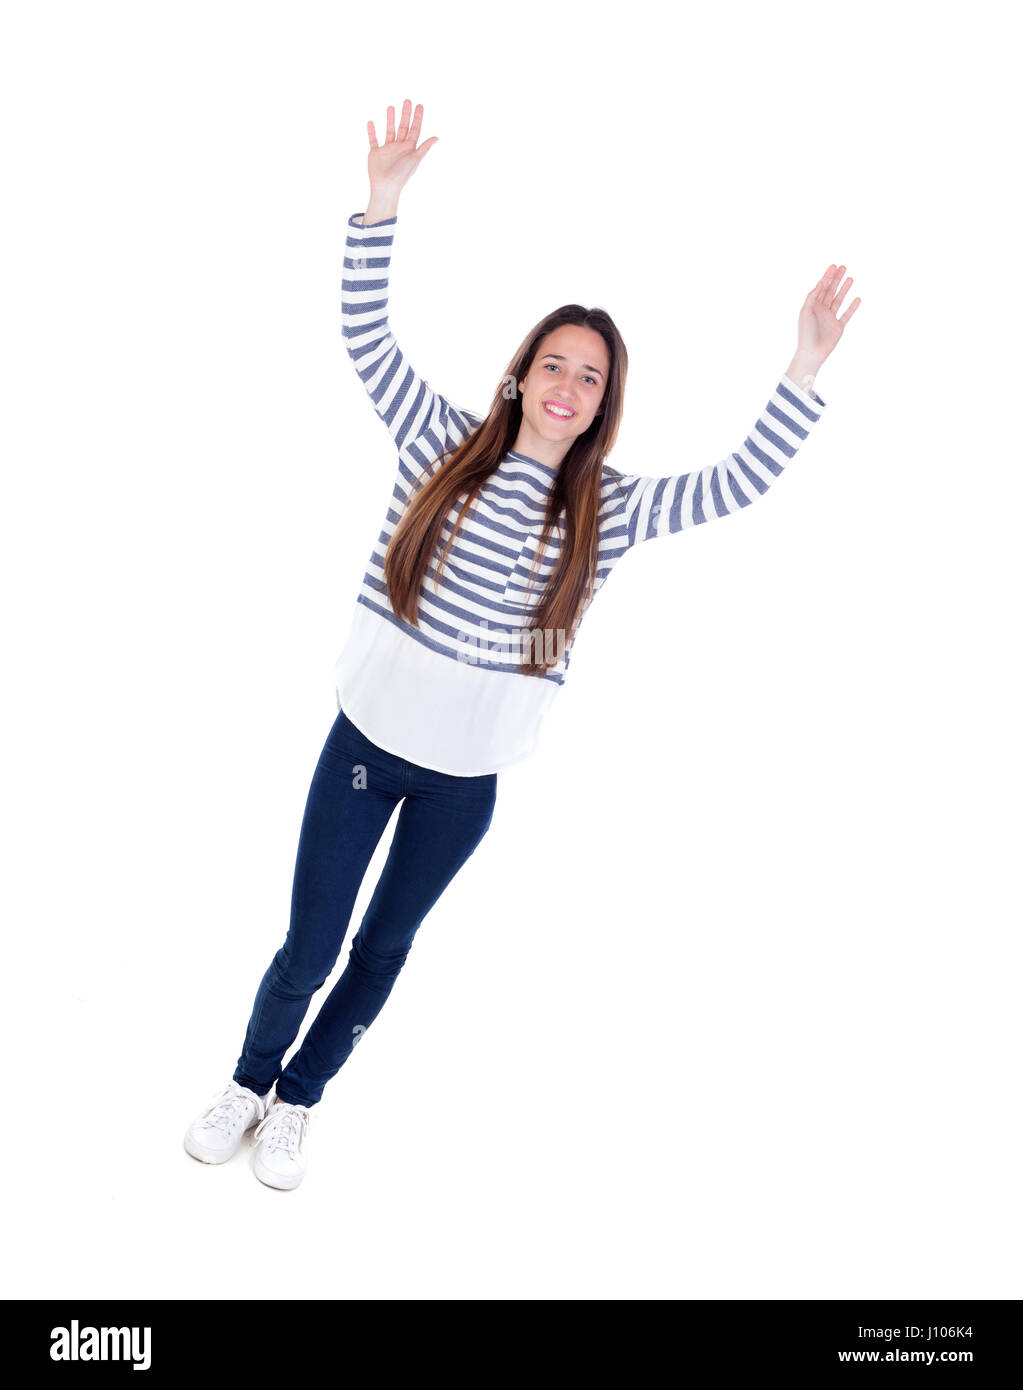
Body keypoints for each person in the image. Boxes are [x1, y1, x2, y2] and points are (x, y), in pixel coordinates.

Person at [184, 99, 861, 1191]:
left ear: (604, 406)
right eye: (553, 365)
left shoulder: (609, 513)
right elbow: (367, 339)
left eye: (589, 378)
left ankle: (300, 1100)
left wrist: (802, 367)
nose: (566, 387)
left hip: (467, 781)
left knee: (381, 954)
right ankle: (246, 1081)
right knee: (309, 945)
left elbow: (740, 483)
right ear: (521, 376)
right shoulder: (439, 440)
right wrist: (383, 206)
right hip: (364, 744)